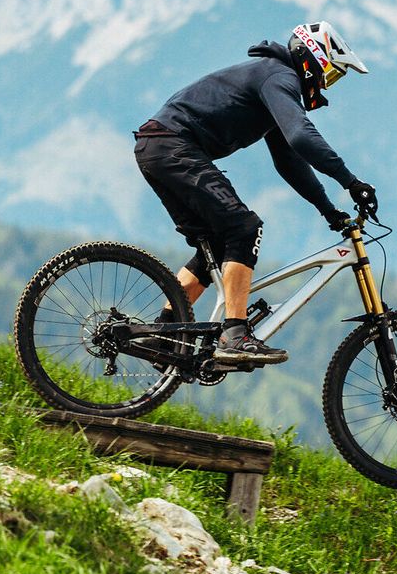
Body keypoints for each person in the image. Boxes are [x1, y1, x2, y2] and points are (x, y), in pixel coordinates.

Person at [133, 22, 378, 366]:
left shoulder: (271, 78)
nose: (325, 85)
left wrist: (328, 210)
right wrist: (351, 182)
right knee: (244, 227)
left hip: (158, 147)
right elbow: (302, 137)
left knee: (218, 247)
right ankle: (235, 334)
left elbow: (290, 161)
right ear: (311, 58)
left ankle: (162, 334)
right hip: (174, 146)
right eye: (329, 75)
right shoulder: (278, 77)